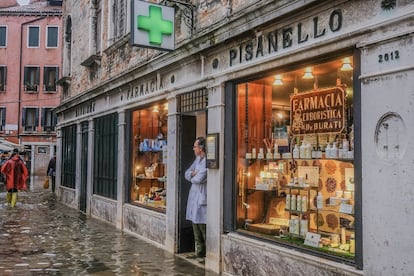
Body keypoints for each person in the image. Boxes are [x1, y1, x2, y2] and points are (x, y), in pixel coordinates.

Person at [184, 136, 208, 263]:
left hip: (203, 196)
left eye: (195, 146)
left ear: (201, 148)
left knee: (203, 226)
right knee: (195, 224)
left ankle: (207, 254)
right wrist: (192, 174)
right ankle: (198, 252)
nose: (193, 148)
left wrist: (194, 175)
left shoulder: (207, 160)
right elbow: (187, 173)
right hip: (194, 195)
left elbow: (200, 178)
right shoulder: (198, 159)